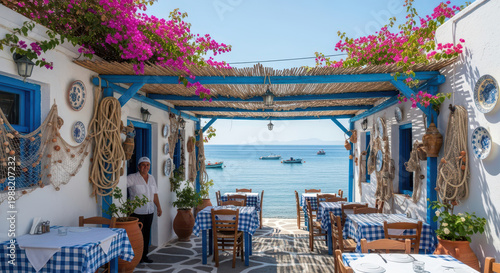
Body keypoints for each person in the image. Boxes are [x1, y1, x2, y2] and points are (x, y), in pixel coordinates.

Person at [127, 157, 162, 263]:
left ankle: (144, 256)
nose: (145, 167)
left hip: (149, 211)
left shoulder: (152, 178)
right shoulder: (132, 177)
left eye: (148, 165)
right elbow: (119, 186)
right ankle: (135, 256)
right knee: (137, 236)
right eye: (143, 165)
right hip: (136, 212)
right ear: (138, 167)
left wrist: (159, 207)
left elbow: (155, 194)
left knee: (146, 234)